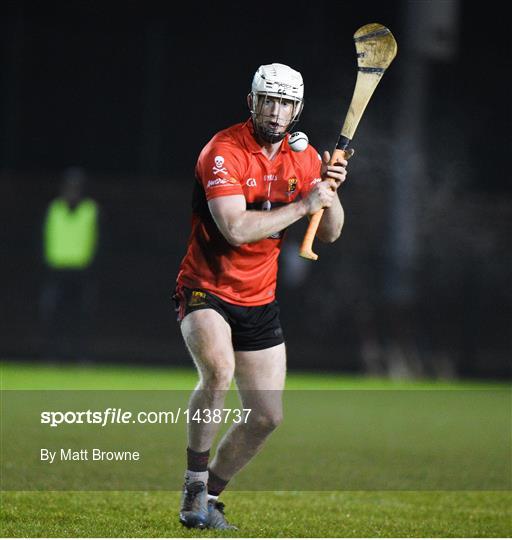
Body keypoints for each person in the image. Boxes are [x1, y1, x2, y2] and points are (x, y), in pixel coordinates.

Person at [173, 63, 348, 530]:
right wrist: (301, 205)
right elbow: (234, 229)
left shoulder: (304, 155)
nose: (276, 111)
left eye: (286, 102)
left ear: (297, 109)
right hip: (205, 287)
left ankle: (209, 496)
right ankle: (192, 483)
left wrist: (328, 190)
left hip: (258, 298)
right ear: (252, 102)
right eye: (268, 100)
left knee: (267, 416)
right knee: (218, 372)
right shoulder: (223, 151)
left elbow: (329, 233)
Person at [40, 167, 99, 360]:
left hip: (82, 272)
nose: (72, 191)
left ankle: (80, 356)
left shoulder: (90, 210)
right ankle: (51, 356)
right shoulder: (54, 209)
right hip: (56, 271)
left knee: (82, 316)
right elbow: (43, 237)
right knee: (52, 314)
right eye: (69, 187)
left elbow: (99, 240)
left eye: (76, 187)